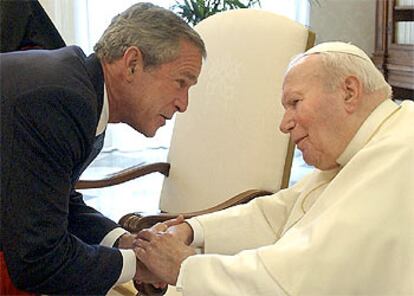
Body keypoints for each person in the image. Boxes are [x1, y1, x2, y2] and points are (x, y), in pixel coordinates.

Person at [134, 41, 414, 295]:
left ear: (349, 92)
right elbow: (278, 213)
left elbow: (300, 279)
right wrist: (193, 231)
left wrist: (184, 267)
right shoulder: (365, 142)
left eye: (295, 102)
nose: (284, 124)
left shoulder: (400, 153)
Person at [0, 2, 205, 295]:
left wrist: (129, 242)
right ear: (132, 63)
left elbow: (54, 199)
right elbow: (38, 260)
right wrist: (141, 264)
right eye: (181, 83)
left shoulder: (78, 87)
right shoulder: (61, 100)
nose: (183, 104)